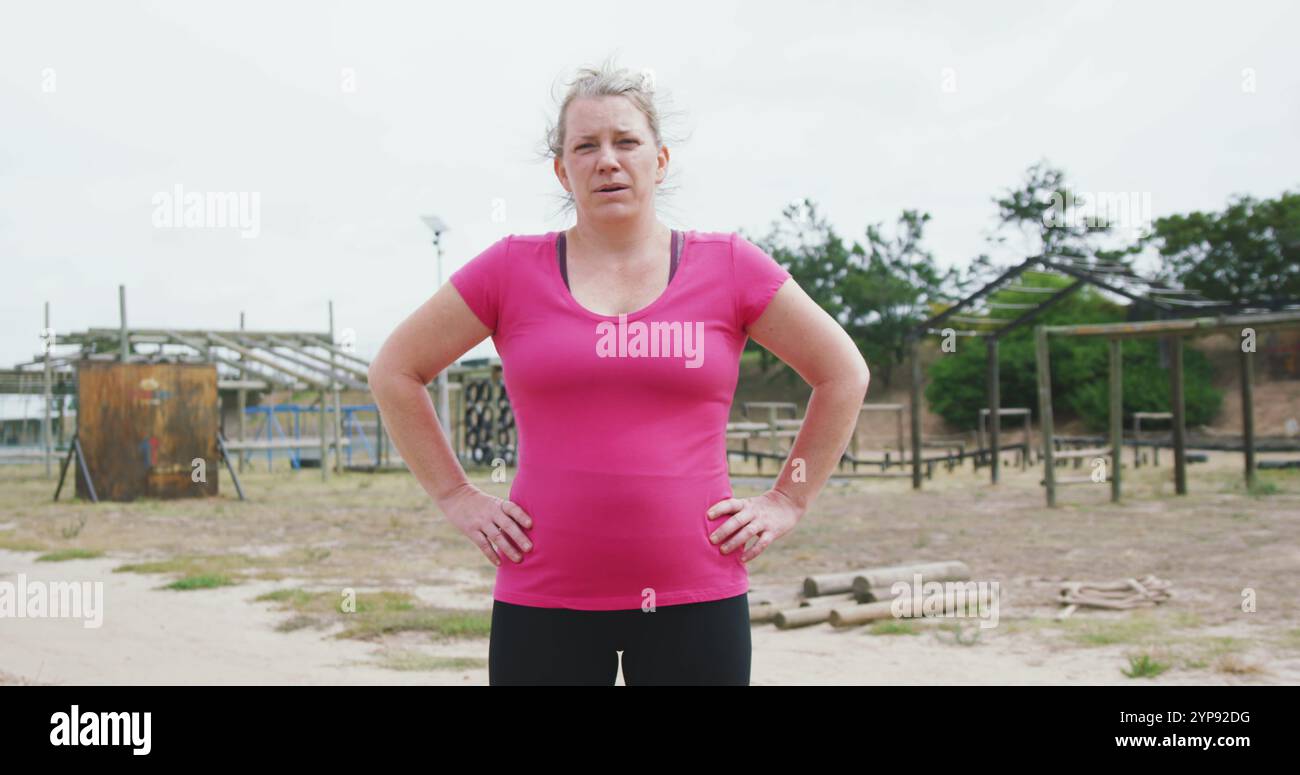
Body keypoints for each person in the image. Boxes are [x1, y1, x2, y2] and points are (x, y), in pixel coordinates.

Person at [368, 59, 870, 685]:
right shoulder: (508, 271)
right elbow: (395, 370)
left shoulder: (731, 266)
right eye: (586, 146)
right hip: (544, 597)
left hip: (697, 595)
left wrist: (788, 498)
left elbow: (842, 373)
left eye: (626, 141)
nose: (608, 159)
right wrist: (455, 496)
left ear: (659, 160)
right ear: (562, 169)